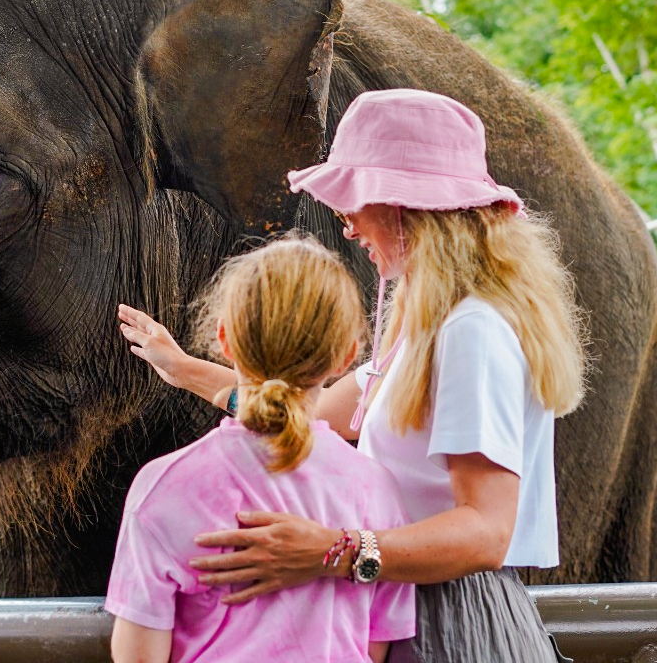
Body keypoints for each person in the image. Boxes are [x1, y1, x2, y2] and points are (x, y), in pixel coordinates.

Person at [119, 88, 585, 662]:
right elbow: (299, 408)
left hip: (450, 617)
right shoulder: (432, 331)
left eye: (351, 203)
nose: (345, 225)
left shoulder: (471, 332)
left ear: (400, 204)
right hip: (415, 606)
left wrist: (330, 551)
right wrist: (182, 368)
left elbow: (487, 533)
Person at [107, 235, 417, 663]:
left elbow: (138, 657)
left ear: (224, 339)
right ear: (347, 356)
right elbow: (375, 645)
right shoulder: (377, 489)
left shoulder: (163, 486)